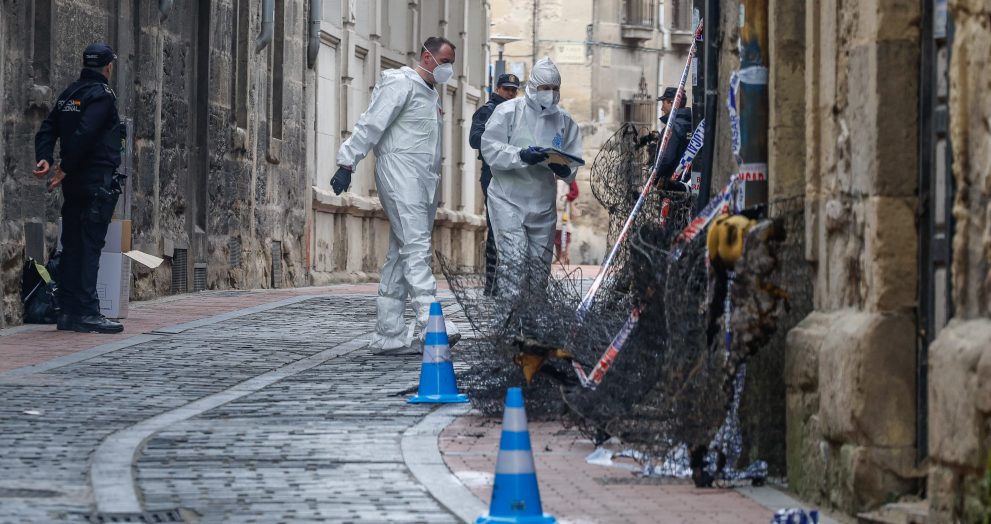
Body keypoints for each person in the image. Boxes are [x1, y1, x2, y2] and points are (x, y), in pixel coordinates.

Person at [330, 36, 460, 353]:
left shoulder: (430, 94)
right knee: (415, 247)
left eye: (451, 63)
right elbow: (371, 122)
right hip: (400, 173)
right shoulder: (400, 83)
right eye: (445, 61)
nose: (448, 69)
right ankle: (432, 323)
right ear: (427, 57)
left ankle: (389, 333)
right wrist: (347, 161)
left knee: (401, 253)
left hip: (423, 180)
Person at [33, 42, 124, 334]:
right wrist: (64, 166)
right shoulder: (102, 95)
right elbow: (86, 132)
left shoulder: (69, 94)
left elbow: (48, 128)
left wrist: (45, 158)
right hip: (94, 179)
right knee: (89, 245)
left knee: (72, 244)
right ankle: (87, 311)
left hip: (73, 183)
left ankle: (68, 311)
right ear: (108, 67)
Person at [481, 57, 583, 297]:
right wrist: (521, 155)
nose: (550, 93)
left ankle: (533, 318)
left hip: (542, 204)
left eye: (555, 88)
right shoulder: (508, 112)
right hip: (507, 199)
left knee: (539, 271)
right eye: (545, 88)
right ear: (533, 86)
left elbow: (573, 159)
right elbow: (490, 148)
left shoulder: (565, 121)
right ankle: (508, 317)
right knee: (514, 264)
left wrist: (564, 169)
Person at [469, 73, 520, 295]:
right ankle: (492, 283)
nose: (510, 93)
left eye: (514, 90)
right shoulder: (488, 111)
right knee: (496, 226)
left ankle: (512, 280)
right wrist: (497, 141)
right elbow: (475, 139)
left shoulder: (519, 112)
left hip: (516, 174)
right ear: (497, 89)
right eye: (507, 89)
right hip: (492, 174)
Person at [654, 86, 693, 191]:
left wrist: (654, 175)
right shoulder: (693, 124)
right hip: (688, 184)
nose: (662, 108)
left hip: (672, 187)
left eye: (663, 103)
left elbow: (667, 158)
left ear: (672, 103)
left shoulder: (673, 127)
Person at [554, 179, 579, 265]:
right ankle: (558, 256)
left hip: (564, 208)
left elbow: (575, 191)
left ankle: (564, 257)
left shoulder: (569, 177)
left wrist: (567, 197)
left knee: (564, 233)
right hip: (554, 208)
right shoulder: (552, 176)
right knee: (556, 234)